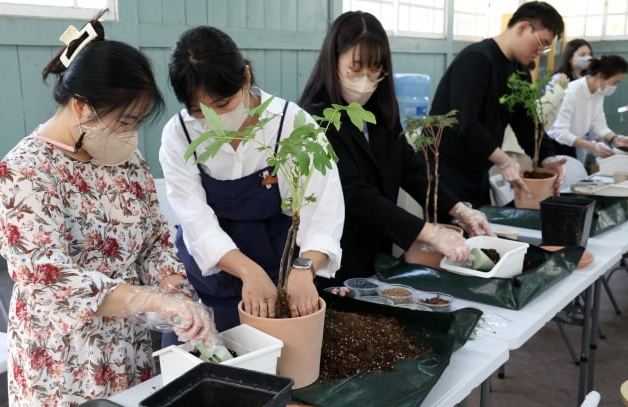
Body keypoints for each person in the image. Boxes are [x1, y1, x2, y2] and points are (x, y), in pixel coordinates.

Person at [0, 11, 218, 406]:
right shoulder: (25, 170)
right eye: (125, 120)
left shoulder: (124, 160)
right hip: (61, 358)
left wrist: (177, 295)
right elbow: (47, 278)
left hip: (127, 346)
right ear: (82, 106)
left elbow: (153, 240)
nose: (130, 134)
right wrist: (150, 300)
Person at [159, 26, 344, 331]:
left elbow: (323, 210)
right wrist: (247, 271)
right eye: (199, 111)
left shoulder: (291, 123)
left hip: (278, 273)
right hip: (208, 280)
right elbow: (195, 219)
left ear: (246, 77)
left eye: (222, 105)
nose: (215, 121)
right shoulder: (179, 133)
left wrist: (303, 269)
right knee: (199, 361)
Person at [298, 11, 492, 287]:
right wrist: (432, 234)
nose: (365, 80)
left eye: (375, 69)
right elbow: (357, 195)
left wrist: (459, 209)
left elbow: (411, 168)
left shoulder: (378, 112)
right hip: (337, 257)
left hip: (377, 250)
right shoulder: (318, 119)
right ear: (333, 61)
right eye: (355, 68)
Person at [428, 2, 566, 209]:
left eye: (546, 47)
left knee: (480, 234)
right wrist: (505, 161)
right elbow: (466, 125)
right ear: (522, 27)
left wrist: (548, 159)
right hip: (446, 169)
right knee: (452, 234)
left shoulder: (520, 72)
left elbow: (527, 124)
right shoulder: (476, 60)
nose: (541, 51)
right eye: (541, 42)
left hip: (478, 168)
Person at [548, 55, 628, 159]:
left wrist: (615, 139)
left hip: (575, 143)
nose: (614, 87)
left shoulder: (598, 93)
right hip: (555, 146)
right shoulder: (571, 91)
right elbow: (560, 132)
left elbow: (598, 124)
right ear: (601, 75)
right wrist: (592, 146)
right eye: (614, 82)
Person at [544, 39, 594, 157]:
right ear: (570, 58)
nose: (588, 58)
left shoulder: (587, 80)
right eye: (582, 54)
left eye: (590, 54)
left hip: (578, 138)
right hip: (559, 139)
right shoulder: (559, 79)